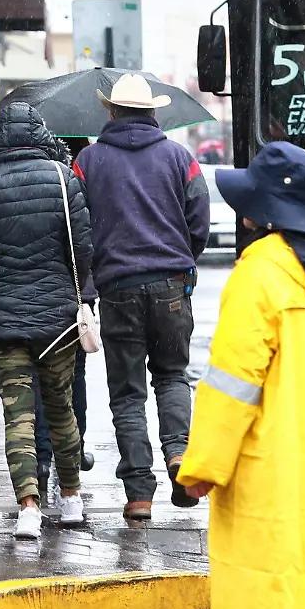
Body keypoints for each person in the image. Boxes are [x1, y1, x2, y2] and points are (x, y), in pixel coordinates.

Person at [176, 142, 305, 609]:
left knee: (261, 588)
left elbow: (232, 385)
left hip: (266, 473)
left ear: (264, 212)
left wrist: (203, 468)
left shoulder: (261, 275)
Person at [72, 74, 210, 519]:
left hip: (118, 289)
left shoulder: (87, 162)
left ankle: (138, 494)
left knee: (127, 394)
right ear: (153, 112)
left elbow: (79, 227)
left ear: (110, 112)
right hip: (171, 284)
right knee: (171, 376)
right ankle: (179, 455)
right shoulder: (179, 157)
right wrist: (181, 255)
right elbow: (199, 219)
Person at [0, 102, 92, 540]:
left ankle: (29, 508)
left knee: (18, 416)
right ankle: (71, 498)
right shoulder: (62, 177)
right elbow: (83, 247)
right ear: (42, 135)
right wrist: (75, 294)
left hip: (5, 319)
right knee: (61, 409)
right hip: (57, 320)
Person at [33, 137, 96, 496]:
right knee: (75, 376)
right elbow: (88, 239)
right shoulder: (83, 171)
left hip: (43, 292)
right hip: (76, 291)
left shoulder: (45, 175)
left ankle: (43, 456)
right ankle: (72, 449)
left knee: (42, 377)